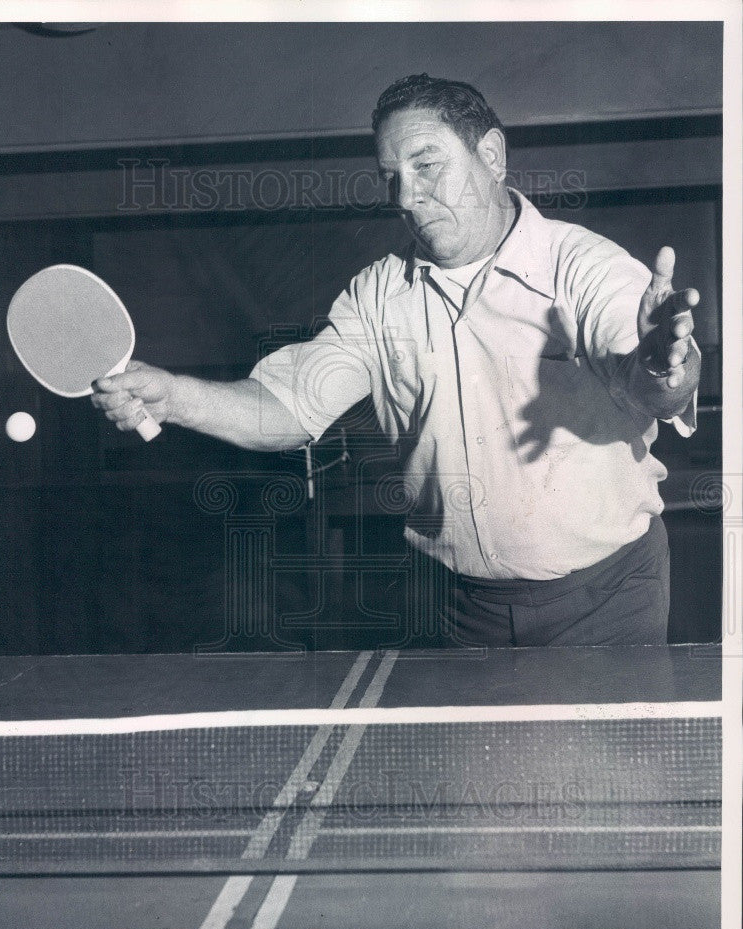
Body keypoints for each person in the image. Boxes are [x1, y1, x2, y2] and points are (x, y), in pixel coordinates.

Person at [92, 74, 701, 647]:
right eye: (392, 175)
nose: (406, 195)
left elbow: (654, 384)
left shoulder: (585, 266)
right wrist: (172, 397)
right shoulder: (378, 296)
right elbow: (289, 407)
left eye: (427, 166)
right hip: (461, 606)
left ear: (491, 156)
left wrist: (659, 365)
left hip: (608, 596)